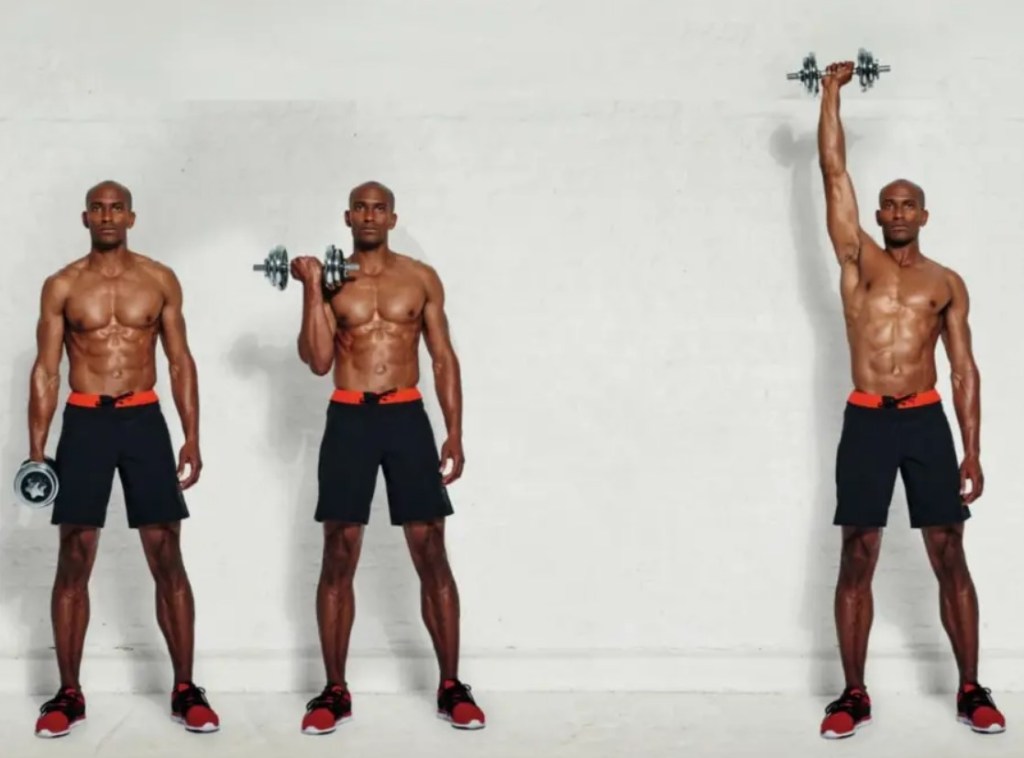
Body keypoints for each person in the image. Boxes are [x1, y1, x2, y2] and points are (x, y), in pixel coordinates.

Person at [815, 62, 1005, 738]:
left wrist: (973, 448)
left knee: (948, 551)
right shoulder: (857, 263)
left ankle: (971, 688)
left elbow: (964, 368)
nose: (896, 212)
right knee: (859, 551)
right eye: (888, 204)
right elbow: (833, 172)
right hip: (867, 419)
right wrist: (830, 94)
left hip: (927, 421)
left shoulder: (946, 281)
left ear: (923, 215)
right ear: (877, 214)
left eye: (907, 205)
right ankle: (853, 694)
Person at [292, 181, 485, 734]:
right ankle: (334, 691)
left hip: (406, 417)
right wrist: (310, 289)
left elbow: (443, 357)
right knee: (339, 548)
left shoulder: (419, 278)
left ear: (392, 218)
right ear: (348, 216)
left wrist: (454, 431)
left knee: (430, 547)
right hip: (349, 417)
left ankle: (451, 686)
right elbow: (318, 360)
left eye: (379, 207)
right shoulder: (332, 280)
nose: (369, 215)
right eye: (360, 207)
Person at [27, 181, 219, 738]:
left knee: (165, 551)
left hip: (144, 421)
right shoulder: (62, 285)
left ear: (131, 216)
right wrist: (37, 451)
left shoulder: (158, 280)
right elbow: (45, 370)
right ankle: (68, 694)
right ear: (84, 216)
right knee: (75, 553)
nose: (107, 215)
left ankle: (186, 689)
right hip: (84, 422)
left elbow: (181, 361)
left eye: (117, 207)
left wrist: (191, 435)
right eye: (98, 207)